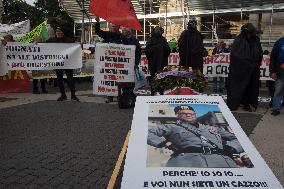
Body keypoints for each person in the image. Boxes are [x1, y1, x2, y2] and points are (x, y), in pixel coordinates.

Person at [147, 105, 245, 167]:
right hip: (186, 161)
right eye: (183, 114)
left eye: (191, 113)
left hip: (221, 161)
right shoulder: (171, 126)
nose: (188, 115)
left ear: (195, 115)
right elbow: (148, 133)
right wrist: (163, 142)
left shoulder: (210, 128)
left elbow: (239, 138)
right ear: (178, 115)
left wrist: (231, 148)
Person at [227, 23, 263, 111]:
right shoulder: (239, 40)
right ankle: (234, 104)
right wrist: (246, 62)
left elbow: (259, 53)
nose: (252, 35)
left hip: (252, 71)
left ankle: (247, 104)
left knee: (250, 88)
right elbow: (235, 55)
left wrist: (255, 62)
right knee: (237, 88)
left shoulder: (256, 40)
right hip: (239, 70)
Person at [95, 16, 125, 103]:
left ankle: (119, 95)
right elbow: (98, 31)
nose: (114, 27)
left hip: (119, 62)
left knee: (119, 80)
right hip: (109, 62)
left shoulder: (122, 36)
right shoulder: (107, 34)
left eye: (116, 26)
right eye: (113, 26)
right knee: (109, 79)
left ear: (119, 27)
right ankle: (110, 96)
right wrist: (97, 22)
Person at [46, 27, 79, 101]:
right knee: (59, 80)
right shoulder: (52, 40)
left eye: (60, 31)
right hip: (58, 63)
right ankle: (63, 95)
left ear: (63, 32)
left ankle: (73, 95)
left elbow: (75, 47)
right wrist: (36, 43)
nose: (58, 32)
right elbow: (43, 45)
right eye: (57, 31)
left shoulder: (69, 40)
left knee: (70, 79)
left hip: (68, 63)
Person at [145, 26, 171, 95]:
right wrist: (156, 47)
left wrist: (163, 47)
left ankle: (161, 92)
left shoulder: (163, 40)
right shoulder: (150, 40)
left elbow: (168, 51)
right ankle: (153, 92)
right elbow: (147, 51)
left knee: (161, 78)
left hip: (162, 64)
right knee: (154, 78)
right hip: (153, 63)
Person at [269, 36, 284, 116]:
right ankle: (276, 109)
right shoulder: (279, 42)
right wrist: (272, 71)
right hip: (280, 72)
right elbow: (273, 58)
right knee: (278, 91)